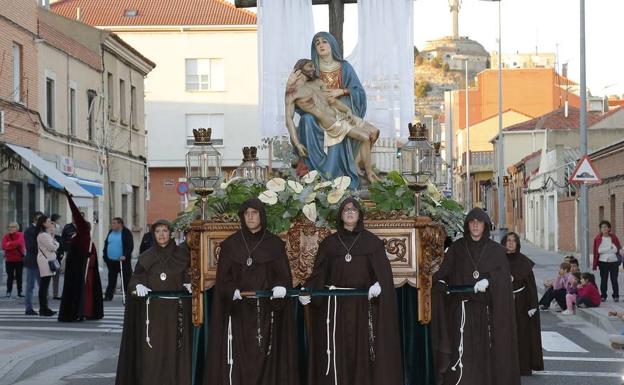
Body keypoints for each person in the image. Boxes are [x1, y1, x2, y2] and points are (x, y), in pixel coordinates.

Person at [299, 197, 402, 385]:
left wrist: (379, 284)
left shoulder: (372, 242)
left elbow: (384, 275)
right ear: (340, 215)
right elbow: (319, 274)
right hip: (335, 308)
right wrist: (308, 290)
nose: (350, 212)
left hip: (363, 309)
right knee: (338, 352)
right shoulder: (329, 244)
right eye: (346, 209)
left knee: (361, 353)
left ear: (360, 214)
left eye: (354, 209)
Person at [205, 198, 298, 385]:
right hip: (238, 312)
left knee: (265, 356)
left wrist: (280, 286)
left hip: (266, 312)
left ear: (261, 216)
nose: (250, 217)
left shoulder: (274, 244)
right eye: (246, 214)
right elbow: (223, 278)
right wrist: (232, 289)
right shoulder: (231, 244)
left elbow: (283, 276)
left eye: (254, 213)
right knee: (240, 359)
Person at [432, 208, 520, 385]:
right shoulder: (456, 248)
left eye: (479, 222)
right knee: (462, 349)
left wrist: (490, 280)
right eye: (472, 222)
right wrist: (440, 283)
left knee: (485, 351)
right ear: (467, 225)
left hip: (486, 311)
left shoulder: (496, 251)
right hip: (462, 309)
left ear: (485, 225)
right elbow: (442, 273)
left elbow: (503, 278)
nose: (475, 225)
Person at [116, 220, 192, 385]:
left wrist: (190, 282)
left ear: (170, 233)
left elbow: (190, 275)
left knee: (175, 351)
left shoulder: (182, 255)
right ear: (153, 234)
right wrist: (138, 285)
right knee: (153, 352)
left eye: (165, 231)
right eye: (158, 232)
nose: (161, 235)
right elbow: (134, 280)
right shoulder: (146, 256)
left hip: (176, 313)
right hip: (153, 314)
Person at [292, 32, 367, 189]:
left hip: (339, 113)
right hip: (318, 114)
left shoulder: (344, 67)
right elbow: (297, 93)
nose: (321, 45)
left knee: (366, 134)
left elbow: (358, 91)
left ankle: (342, 174)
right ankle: (314, 172)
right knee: (307, 120)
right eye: (317, 43)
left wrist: (342, 92)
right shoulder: (311, 69)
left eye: (324, 41)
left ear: (331, 44)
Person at [286, 59, 380, 184]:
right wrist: (297, 143)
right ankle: (369, 174)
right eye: (310, 66)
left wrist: (347, 110)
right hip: (332, 124)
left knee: (374, 132)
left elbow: (332, 101)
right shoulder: (292, 92)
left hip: (339, 115)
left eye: (314, 66)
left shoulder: (318, 83)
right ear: (299, 69)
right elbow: (289, 120)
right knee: (365, 137)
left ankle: (355, 166)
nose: (314, 68)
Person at [501, 231, 543, 376]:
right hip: (503, 303)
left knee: (522, 335)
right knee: (504, 334)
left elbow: (531, 286)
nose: (510, 243)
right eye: (508, 240)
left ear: (517, 244)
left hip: (521, 303)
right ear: (503, 243)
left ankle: (523, 367)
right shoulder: (498, 260)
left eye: (513, 240)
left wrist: (532, 305)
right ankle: (505, 367)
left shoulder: (524, 262)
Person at [58, 191, 104, 322]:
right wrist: (68, 197)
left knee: (86, 292)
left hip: (85, 270)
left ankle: (83, 311)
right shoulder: (80, 237)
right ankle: (80, 311)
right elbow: (76, 214)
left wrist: (89, 257)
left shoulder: (85, 238)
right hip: (77, 270)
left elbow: (92, 256)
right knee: (81, 292)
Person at [103, 217, 134, 301]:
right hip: (111, 261)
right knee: (111, 280)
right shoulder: (110, 232)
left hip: (123, 261)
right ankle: (108, 296)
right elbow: (106, 244)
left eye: (114, 223)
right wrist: (105, 256)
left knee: (126, 280)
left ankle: (128, 297)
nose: (112, 225)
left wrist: (125, 255)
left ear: (120, 224)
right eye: (112, 223)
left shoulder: (126, 233)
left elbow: (130, 246)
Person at [592, 220, 622, 302]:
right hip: (603, 262)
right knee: (604, 280)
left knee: (614, 280)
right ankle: (603, 296)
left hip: (614, 262)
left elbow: (616, 249)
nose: (604, 228)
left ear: (609, 228)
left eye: (606, 227)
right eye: (602, 227)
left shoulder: (613, 237)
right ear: (600, 229)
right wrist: (609, 248)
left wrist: (606, 250)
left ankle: (616, 296)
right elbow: (598, 251)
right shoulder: (598, 238)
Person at [36, 215, 59, 317]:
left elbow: (53, 244)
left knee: (45, 285)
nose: (50, 223)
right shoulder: (43, 235)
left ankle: (44, 308)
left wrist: (53, 239)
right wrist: (55, 243)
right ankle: (43, 309)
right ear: (44, 223)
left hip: (47, 260)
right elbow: (52, 247)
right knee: (44, 286)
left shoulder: (46, 234)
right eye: (49, 221)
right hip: (45, 262)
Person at [23, 211, 43, 315]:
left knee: (42, 286)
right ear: (35, 219)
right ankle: (28, 308)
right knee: (30, 286)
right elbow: (30, 246)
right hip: (32, 261)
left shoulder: (42, 230)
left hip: (42, 261)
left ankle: (44, 307)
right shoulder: (29, 230)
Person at [2, 222, 25, 298]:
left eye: (12, 227)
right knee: (10, 276)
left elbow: (20, 243)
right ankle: (8, 292)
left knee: (19, 276)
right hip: (9, 259)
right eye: (9, 227)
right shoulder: (6, 236)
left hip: (19, 259)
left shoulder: (20, 234)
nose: (10, 228)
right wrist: (12, 245)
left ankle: (20, 291)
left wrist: (9, 244)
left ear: (17, 228)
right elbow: (3, 246)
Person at [50, 213, 64, 299]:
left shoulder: (58, 233)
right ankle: (52, 293)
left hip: (57, 255)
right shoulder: (53, 227)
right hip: (51, 255)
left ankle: (55, 293)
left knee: (56, 275)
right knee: (51, 275)